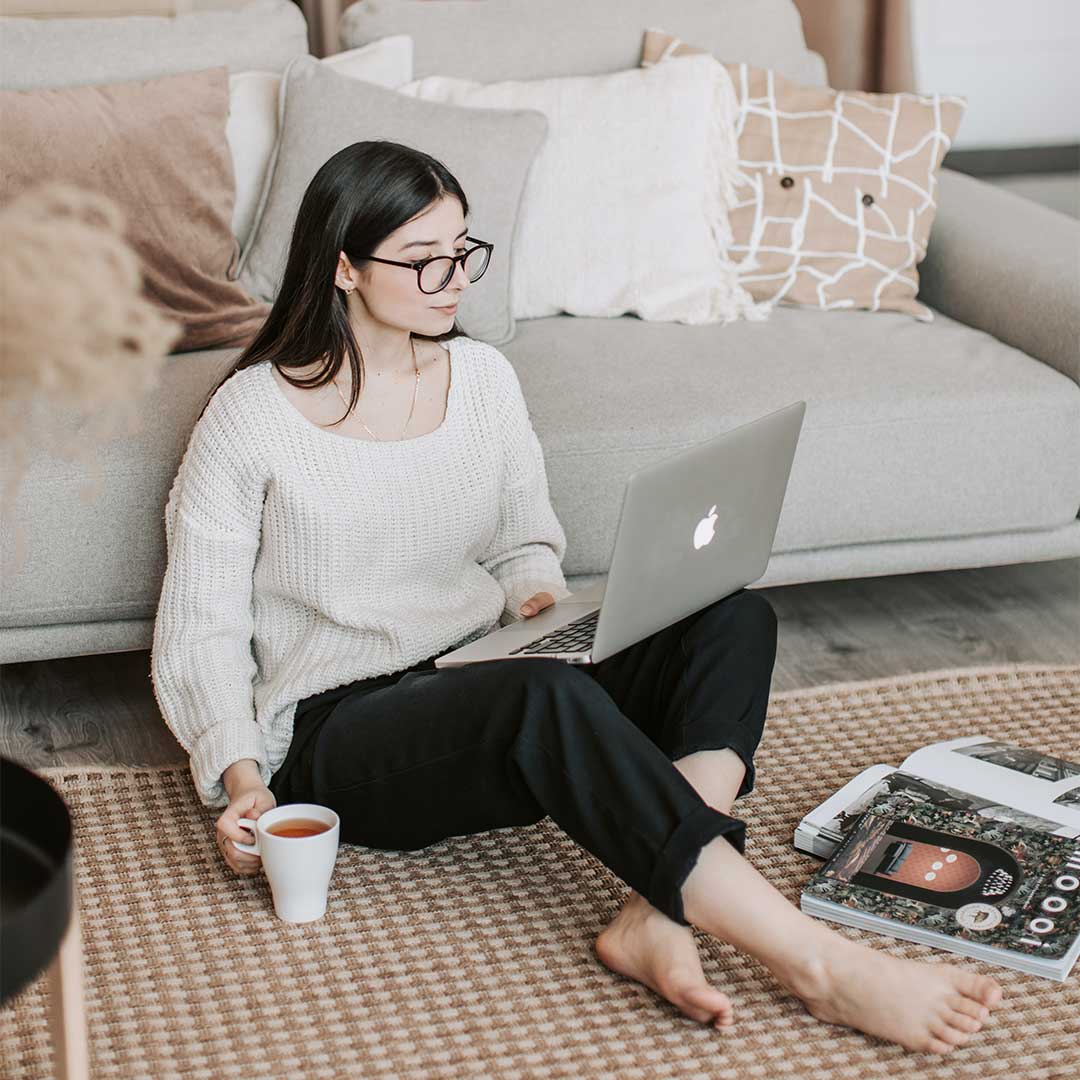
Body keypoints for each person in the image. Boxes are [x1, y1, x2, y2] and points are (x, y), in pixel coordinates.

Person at [150, 140, 1002, 1055]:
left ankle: (655, 907)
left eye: (464, 250)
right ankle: (819, 965)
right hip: (338, 728)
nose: (453, 280)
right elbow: (199, 631)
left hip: (482, 668)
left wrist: (541, 608)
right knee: (541, 700)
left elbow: (523, 542)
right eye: (424, 259)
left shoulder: (481, 380)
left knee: (730, 615)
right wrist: (242, 779)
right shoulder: (251, 417)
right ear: (344, 267)